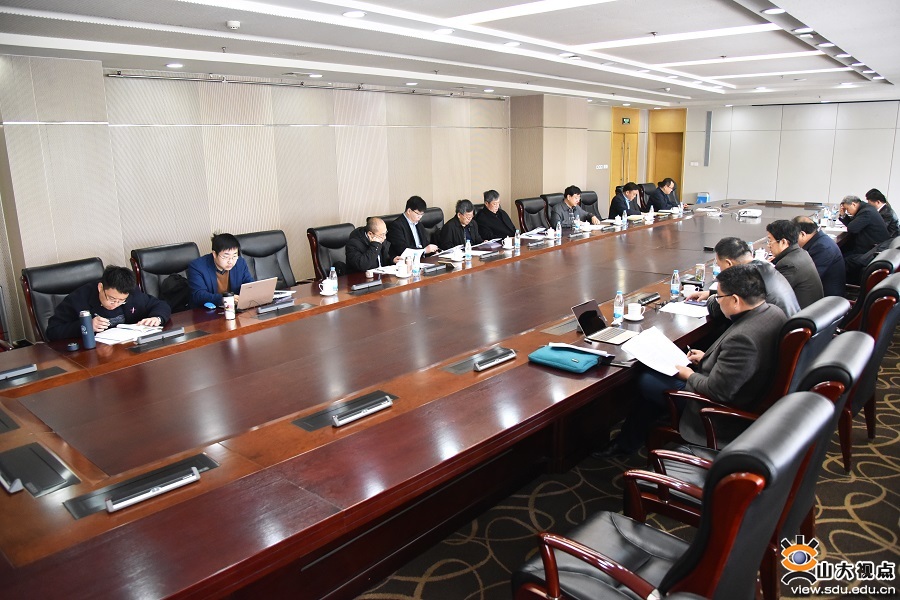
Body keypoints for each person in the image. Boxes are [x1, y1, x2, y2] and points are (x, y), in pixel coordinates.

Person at [597, 264, 786, 455]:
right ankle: (632, 438)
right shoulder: (773, 312)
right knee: (656, 380)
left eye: (719, 297)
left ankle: (629, 440)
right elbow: (742, 364)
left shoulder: (744, 338)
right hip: (744, 388)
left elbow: (717, 392)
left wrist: (688, 375)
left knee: (647, 379)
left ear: (735, 300)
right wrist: (707, 358)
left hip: (717, 409)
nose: (717, 302)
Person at [46, 265, 171, 341]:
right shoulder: (78, 299)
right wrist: (86, 325)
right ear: (100, 287)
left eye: (121, 301)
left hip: (126, 348)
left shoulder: (132, 293)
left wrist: (157, 318)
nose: (115, 304)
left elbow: (160, 305)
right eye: (111, 299)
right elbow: (52, 331)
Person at [685, 237, 800, 318]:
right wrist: (711, 293)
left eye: (720, 266)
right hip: (784, 325)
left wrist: (713, 298)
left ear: (729, 264)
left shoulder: (744, 276)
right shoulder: (763, 266)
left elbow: (716, 310)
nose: (720, 270)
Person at [765, 219, 823, 308]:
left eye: (770, 241)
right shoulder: (801, 253)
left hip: (801, 313)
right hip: (812, 308)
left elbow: (770, 295)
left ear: (783, 242)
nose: (768, 245)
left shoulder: (788, 264)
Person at [187, 232, 254, 308]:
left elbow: (249, 283)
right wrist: (225, 299)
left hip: (234, 308)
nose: (230, 261)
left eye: (234, 256)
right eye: (226, 257)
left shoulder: (240, 262)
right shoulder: (197, 266)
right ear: (214, 254)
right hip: (207, 310)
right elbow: (198, 295)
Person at [838, 194, 890, 284]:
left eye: (847, 209)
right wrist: (843, 215)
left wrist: (845, 216)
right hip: (872, 246)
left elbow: (852, 228)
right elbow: (853, 225)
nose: (847, 211)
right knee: (842, 251)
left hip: (872, 249)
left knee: (841, 258)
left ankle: (843, 284)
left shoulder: (866, 212)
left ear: (853, 204)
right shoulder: (865, 209)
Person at [793, 216, 846, 297]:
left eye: (794, 237)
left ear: (802, 234)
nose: (793, 241)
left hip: (826, 298)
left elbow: (808, 279)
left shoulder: (822, 247)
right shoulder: (820, 240)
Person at [386, 196, 439, 260]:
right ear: (409, 211)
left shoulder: (419, 224)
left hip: (422, 260)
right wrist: (424, 251)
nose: (420, 217)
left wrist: (433, 252)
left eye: (422, 214)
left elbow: (425, 244)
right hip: (407, 262)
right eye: (418, 214)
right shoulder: (396, 226)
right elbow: (402, 249)